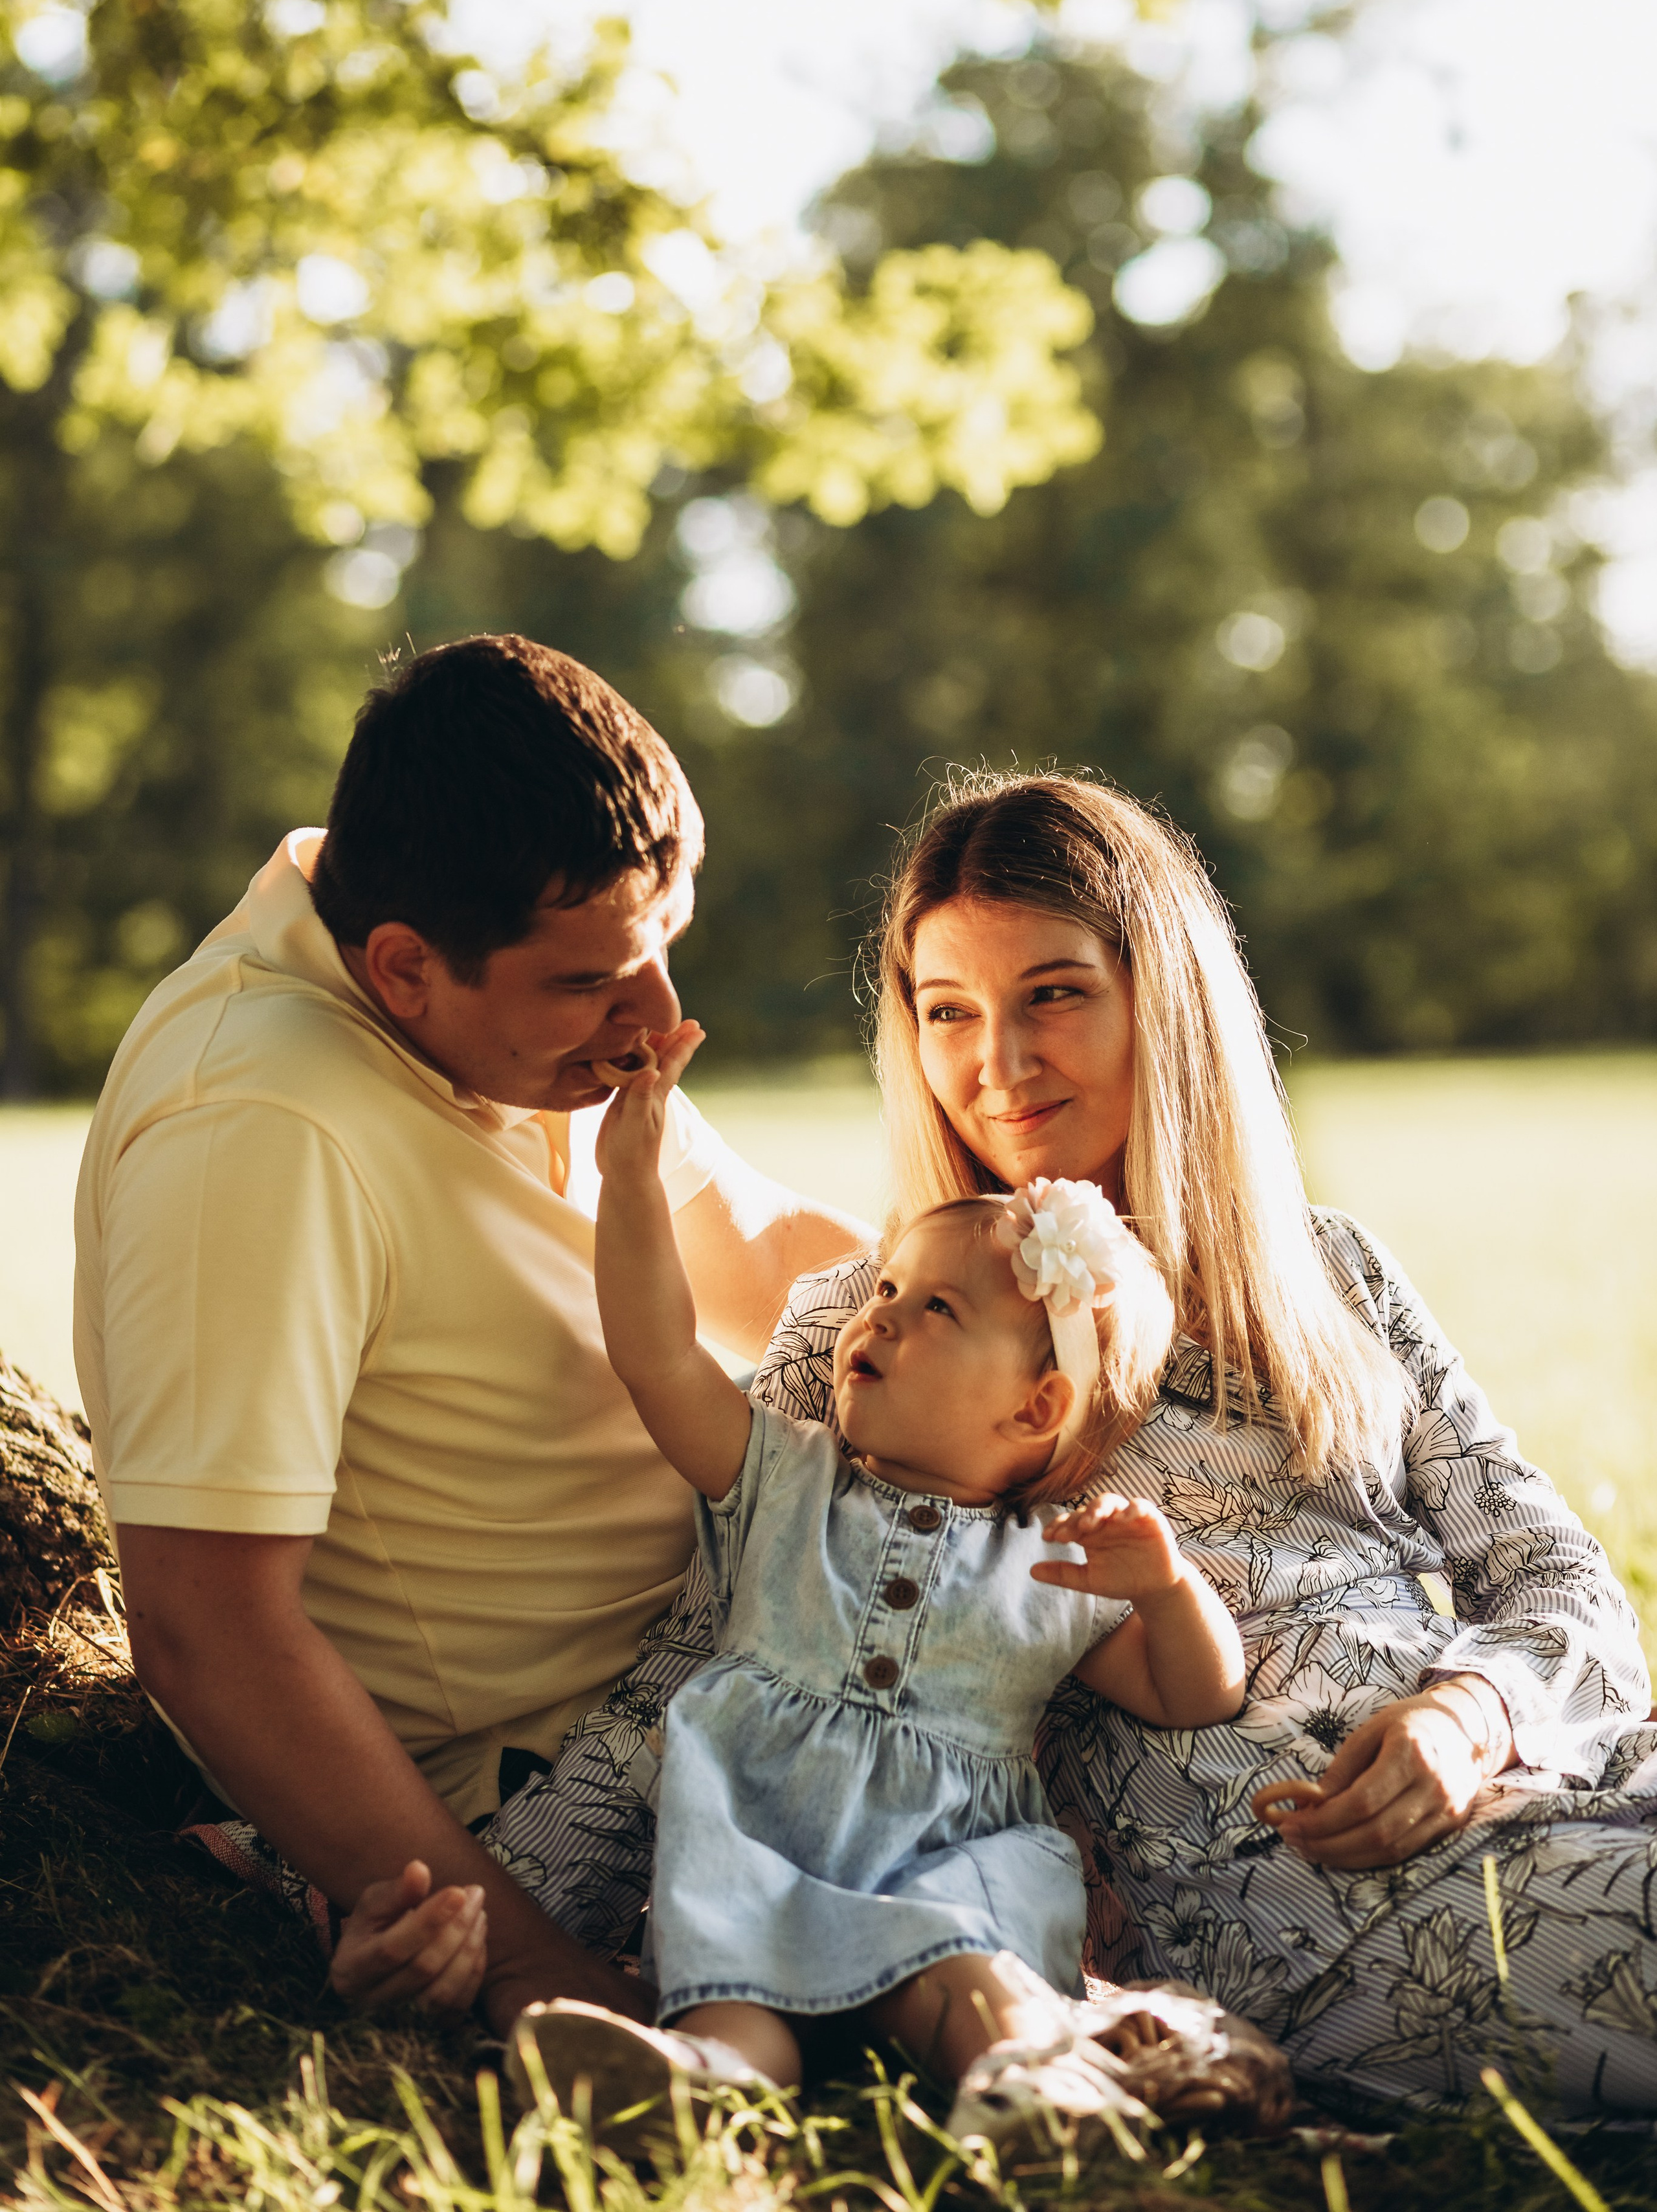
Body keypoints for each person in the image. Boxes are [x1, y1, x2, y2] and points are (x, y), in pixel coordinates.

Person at [499, 771, 1657, 2121]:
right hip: (1317, 1892)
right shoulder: (869, 1332)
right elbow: (733, 1656)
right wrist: (455, 1892)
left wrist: (1475, 1711)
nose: (997, 1063)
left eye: (1051, 993)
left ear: (1159, 998)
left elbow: (1560, 1582)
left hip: (1548, 1775)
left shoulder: (1330, 1273)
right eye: (948, 1012)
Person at [73, 637, 873, 2035]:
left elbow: (754, 1254)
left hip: (738, 1652)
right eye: (594, 984)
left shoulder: (515, 992)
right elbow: (209, 1629)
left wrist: (1058, 1317)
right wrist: (529, 1968)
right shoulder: (259, 1130)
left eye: (663, 948)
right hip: (559, 1791)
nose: (659, 1024)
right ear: (401, 970)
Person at [511, 1020, 1247, 2143]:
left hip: (949, 1864)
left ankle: (1032, 2083)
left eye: (934, 1309)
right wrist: (628, 1172)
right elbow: (658, 1355)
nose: (880, 1311)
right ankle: (702, 2083)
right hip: (761, 1838)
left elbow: (1196, 1693)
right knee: (732, 1985)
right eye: (888, 1286)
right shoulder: (785, 1476)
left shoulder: (1054, 1560)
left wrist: (1166, 1589)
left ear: (1036, 1408)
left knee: (973, 1972)